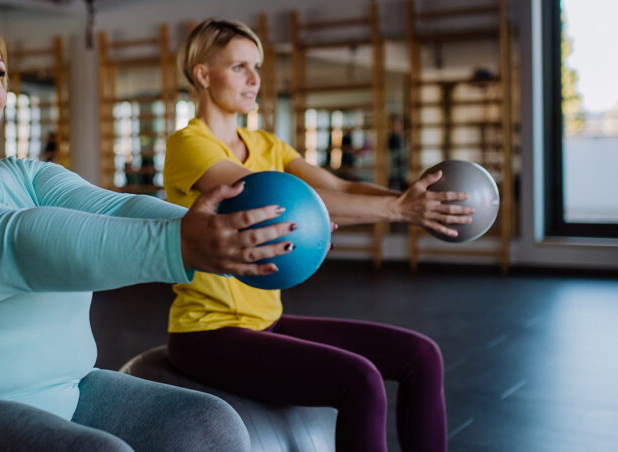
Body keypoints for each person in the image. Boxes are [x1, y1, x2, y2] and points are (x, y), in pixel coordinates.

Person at [0, 8, 297, 452]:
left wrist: (224, 229)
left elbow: (118, 210)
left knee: (207, 424)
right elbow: (12, 244)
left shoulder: (27, 176)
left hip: (58, 391)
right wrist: (179, 244)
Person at [164, 19, 476, 452]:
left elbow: (340, 190)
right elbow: (277, 203)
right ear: (202, 74)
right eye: (239, 67)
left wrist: (416, 204)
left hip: (265, 321)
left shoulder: (266, 144)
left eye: (258, 66)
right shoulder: (189, 145)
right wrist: (401, 208)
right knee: (361, 382)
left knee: (420, 356)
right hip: (207, 332)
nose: (255, 79)